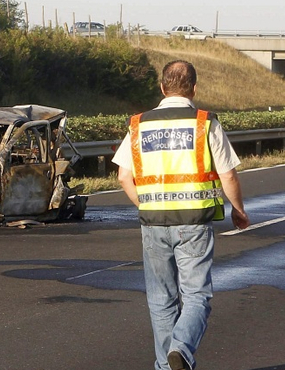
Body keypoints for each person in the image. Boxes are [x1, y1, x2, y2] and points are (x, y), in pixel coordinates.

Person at [113, 60, 250, 370]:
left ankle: (166, 366)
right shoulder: (204, 123)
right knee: (197, 296)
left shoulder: (139, 125)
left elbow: (123, 176)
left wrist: (145, 204)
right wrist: (239, 211)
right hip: (193, 224)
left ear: (162, 88)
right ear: (194, 88)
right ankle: (182, 350)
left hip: (153, 223)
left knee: (161, 301)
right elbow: (228, 175)